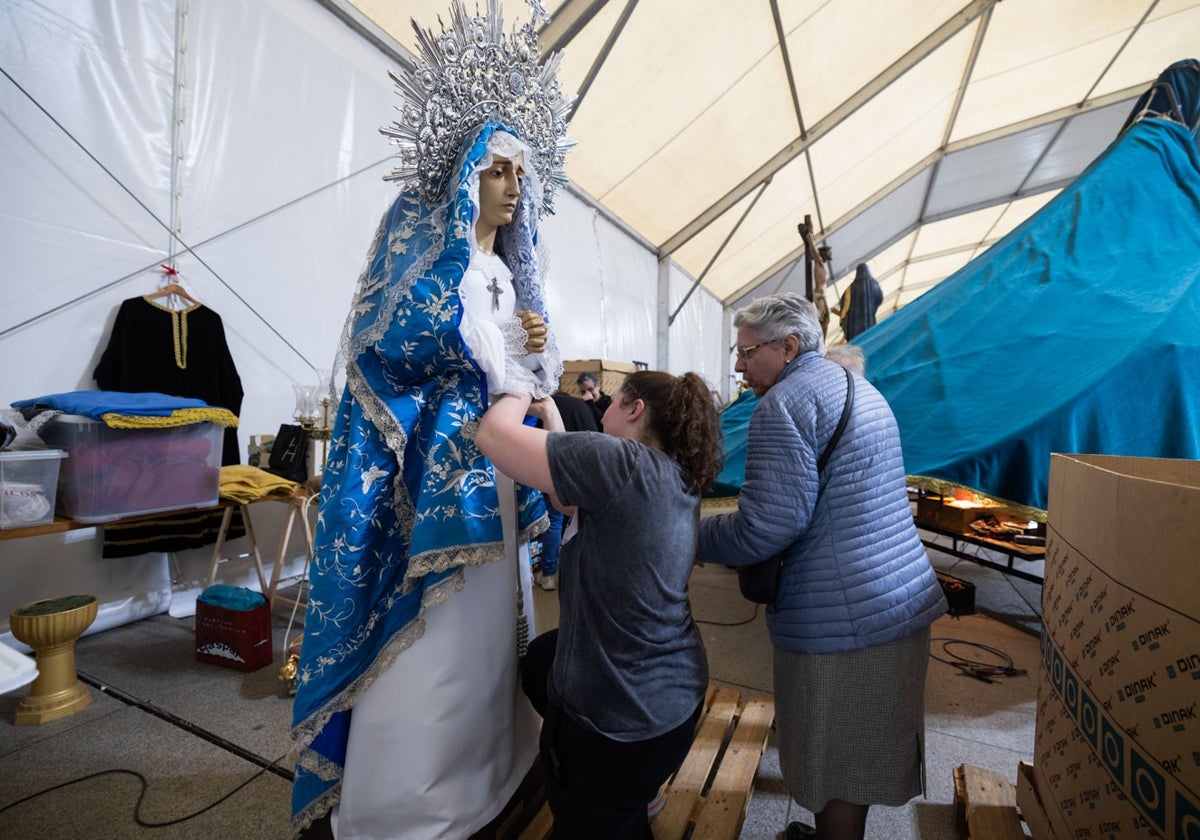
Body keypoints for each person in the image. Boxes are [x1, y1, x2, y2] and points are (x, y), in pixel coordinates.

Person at [290, 2, 575, 837]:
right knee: (434, 633)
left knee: (492, 624)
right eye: (499, 170)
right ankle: (409, 799)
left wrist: (533, 342)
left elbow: (534, 365)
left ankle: (490, 765)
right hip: (435, 469)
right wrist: (472, 331)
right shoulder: (422, 238)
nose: (515, 188)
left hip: (499, 463)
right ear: (465, 175)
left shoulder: (512, 266)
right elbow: (381, 337)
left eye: (523, 174)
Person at [697, 293, 946, 840]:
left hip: (842, 616)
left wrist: (689, 533)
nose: (738, 366)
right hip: (894, 595)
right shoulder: (857, 386)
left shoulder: (782, 405)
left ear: (788, 347)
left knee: (834, 753)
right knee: (858, 746)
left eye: (748, 352)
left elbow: (768, 526)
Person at [476, 370, 724, 840]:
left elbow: (493, 434)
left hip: (620, 722)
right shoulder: (668, 471)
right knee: (542, 661)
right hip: (672, 702)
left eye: (613, 402)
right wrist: (550, 412)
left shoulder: (618, 461)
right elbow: (564, 500)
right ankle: (636, 796)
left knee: (595, 823)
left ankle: (615, 801)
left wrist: (520, 382)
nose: (602, 409)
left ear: (634, 410)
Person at [533, 390, 599, 590]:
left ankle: (547, 572)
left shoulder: (542, 406)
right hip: (580, 472)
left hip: (545, 469)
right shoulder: (581, 407)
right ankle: (562, 574)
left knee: (547, 520)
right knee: (572, 520)